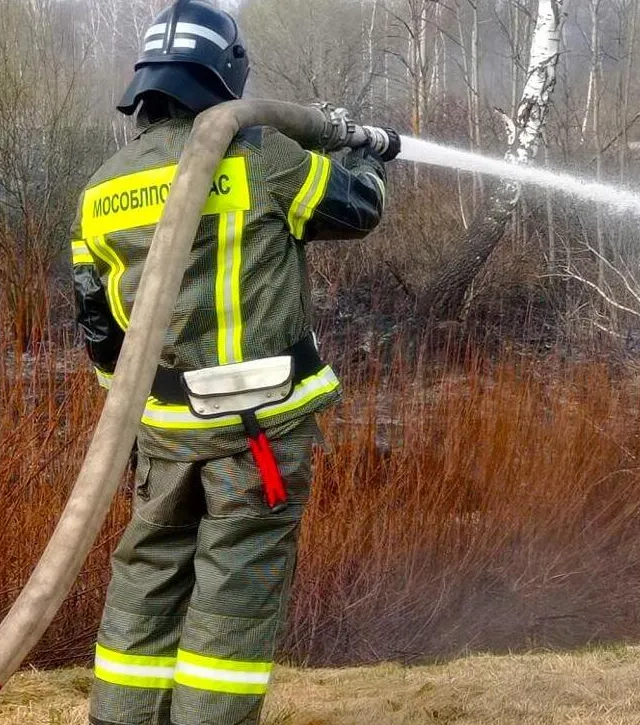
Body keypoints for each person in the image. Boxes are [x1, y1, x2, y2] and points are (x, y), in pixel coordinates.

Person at [69, 2, 397, 724]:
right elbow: (358, 207)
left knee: (147, 578)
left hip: (157, 434)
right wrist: (364, 153)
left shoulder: (101, 189)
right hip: (257, 434)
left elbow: (99, 329)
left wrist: (137, 422)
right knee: (233, 593)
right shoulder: (262, 160)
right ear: (225, 75)